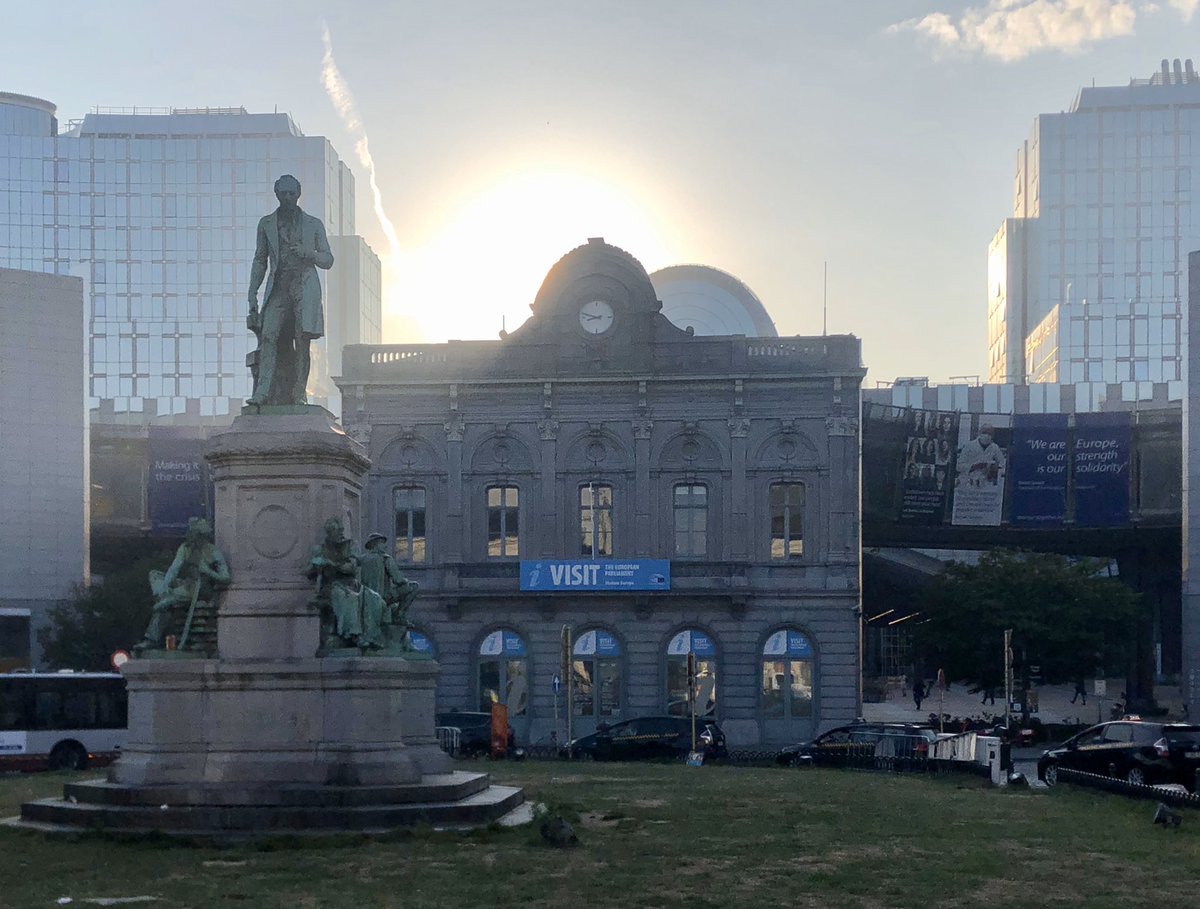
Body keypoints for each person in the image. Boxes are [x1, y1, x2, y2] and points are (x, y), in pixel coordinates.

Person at [246, 174, 334, 406]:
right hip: (279, 287)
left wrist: (308, 253)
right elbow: (259, 260)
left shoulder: (313, 224)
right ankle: (262, 391)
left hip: (304, 286)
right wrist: (252, 293)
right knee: (268, 335)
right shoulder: (266, 224)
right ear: (276, 194)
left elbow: (328, 259)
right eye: (283, 193)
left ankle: (299, 393)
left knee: (301, 340)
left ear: (298, 194)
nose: (287, 198)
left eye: (291, 193)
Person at [138, 517, 230, 651]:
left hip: (201, 589)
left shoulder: (213, 551)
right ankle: (162, 596)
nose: (192, 537)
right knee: (155, 576)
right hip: (187, 585)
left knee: (163, 605)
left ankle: (151, 638)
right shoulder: (185, 548)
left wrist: (208, 571)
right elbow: (174, 569)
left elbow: (226, 578)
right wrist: (165, 586)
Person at [359, 532, 419, 648]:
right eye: (382, 543)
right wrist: (404, 580)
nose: (384, 546)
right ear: (376, 544)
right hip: (384, 597)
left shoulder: (361, 559)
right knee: (414, 587)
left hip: (365, 597)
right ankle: (399, 614)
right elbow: (398, 580)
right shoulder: (385, 558)